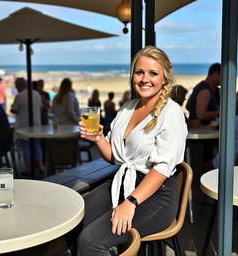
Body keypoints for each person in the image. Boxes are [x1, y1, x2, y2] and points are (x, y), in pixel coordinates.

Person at [77, 46, 187, 255]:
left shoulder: (171, 114)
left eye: (153, 73)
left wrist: (131, 202)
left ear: (164, 78)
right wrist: (98, 138)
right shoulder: (128, 107)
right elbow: (114, 157)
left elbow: (162, 169)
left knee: (91, 241)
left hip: (155, 194)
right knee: (76, 220)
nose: (145, 79)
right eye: (139, 72)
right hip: (123, 182)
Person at [10, 78, 43, 175]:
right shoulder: (36, 94)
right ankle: (41, 166)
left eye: (16, 85)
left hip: (24, 125)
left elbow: (13, 109)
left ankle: (28, 169)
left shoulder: (19, 96)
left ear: (20, 85)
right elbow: (40, 107)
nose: (16, 87)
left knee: (26, 148)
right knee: (36, 145)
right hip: (36, 124)